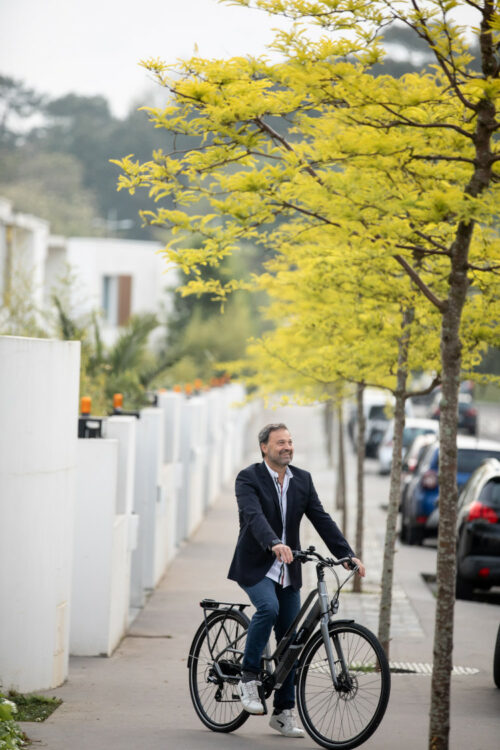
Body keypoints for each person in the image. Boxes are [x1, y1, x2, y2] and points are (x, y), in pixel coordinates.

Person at [228, 422, 365, 738]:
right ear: (265, 447)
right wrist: (274, 542)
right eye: (280, 442)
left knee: (293, 640)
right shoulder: (248, 478)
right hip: (256, 565)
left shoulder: (302, 480)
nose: (287, 446)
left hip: (289, 570)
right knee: (268, 609)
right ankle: (248, 678)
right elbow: (253, 516)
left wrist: (347, 554)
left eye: (290, 441)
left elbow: (321, 518)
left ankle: (283, 711)